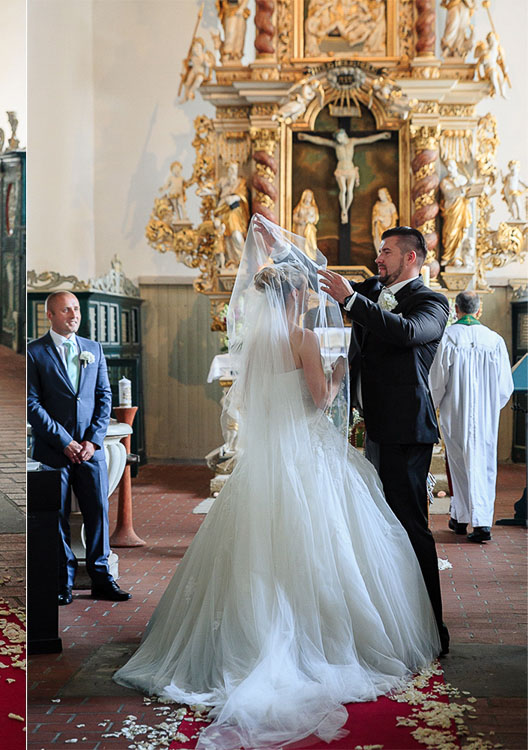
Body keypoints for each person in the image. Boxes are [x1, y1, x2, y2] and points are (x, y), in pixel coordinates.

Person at [114, 215, 438, 750]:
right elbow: (321, 399)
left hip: (270, 457)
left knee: (262, 545)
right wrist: (336, 372)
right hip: (308, 449)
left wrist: (280, 243)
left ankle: (243, 636)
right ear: (300, 295)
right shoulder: (306, 336)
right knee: (328, 541)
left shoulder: (262, 340)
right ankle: (329, 637)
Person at [318, 225, 450, 655]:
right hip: (373, 426)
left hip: (407, 430)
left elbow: (406, 332)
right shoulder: (375, 287)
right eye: (379, 251)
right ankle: (396, 621)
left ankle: (432, 627)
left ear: (411, 258)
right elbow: (338, 287)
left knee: (410, 526)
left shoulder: (432, 303)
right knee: (381, 525)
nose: (379, 259)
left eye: (387, 252)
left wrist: (353, 301)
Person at [27, 291, 129, 606]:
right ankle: (63, 581)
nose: (74, 315)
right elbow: (31, 403)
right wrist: (64, 441)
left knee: (97, 512)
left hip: (90, 450)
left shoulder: (93, 349)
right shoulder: (35, 353)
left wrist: (92, 440)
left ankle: (101, 579)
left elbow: (104, 397)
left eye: (76, 309)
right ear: (50, 315)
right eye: (66, 310)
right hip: (54, 450)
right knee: (55, 516)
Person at [430, 292, 514, 543]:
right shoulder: (494, 340)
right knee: (485, 465)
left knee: (458, 465)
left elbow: (436, 382)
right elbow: (504, 388)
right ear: (479, 311)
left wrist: (434, 406)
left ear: (456, 310)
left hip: (455, 412)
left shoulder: (447, 338)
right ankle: (480, 522)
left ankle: (463, 519)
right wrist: (489, 408)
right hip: (486, 415)